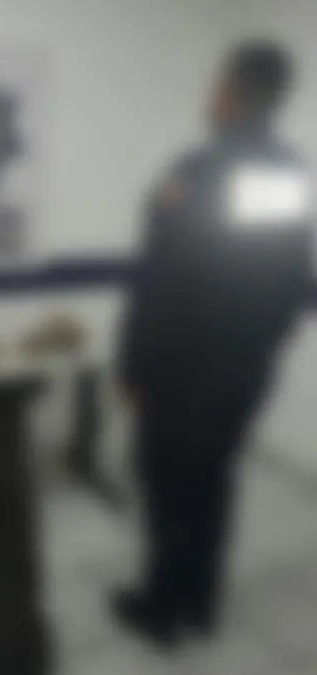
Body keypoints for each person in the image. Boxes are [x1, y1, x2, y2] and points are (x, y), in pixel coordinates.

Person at [115, 40, 312, 647]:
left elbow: (163, 282)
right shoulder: (287, 175)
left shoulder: (201, 172)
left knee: (169, 488)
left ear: (234, 93)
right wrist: (260, 348)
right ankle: (198, 602)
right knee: (213, 482)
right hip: (244, 369)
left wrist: (134, 367)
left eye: (218, 85)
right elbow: (292, 280)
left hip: (183, 372)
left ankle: (162, 610)